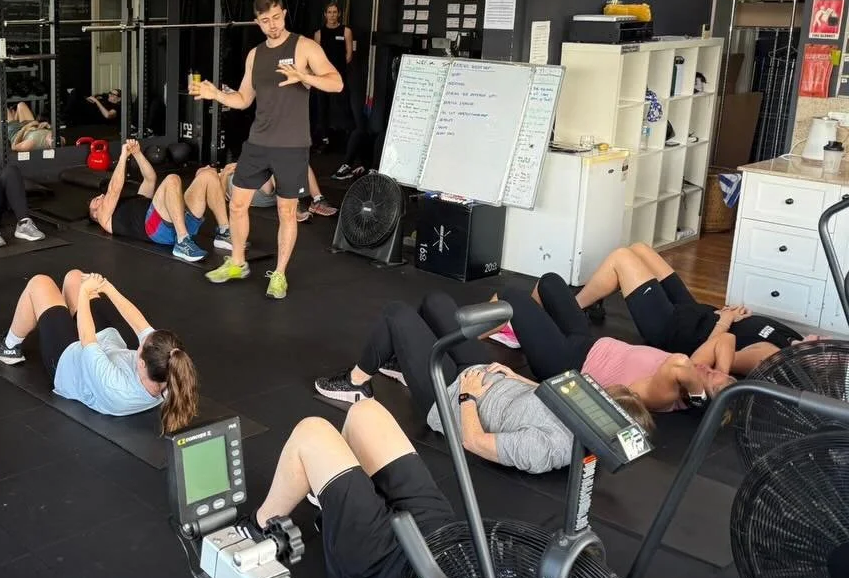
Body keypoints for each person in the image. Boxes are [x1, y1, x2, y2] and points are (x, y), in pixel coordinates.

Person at [312, 294, 653, 474]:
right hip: (481, 373)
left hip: (449, 398)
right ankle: (404, 361)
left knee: (397, 314)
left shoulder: (547, 449)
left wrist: (468, 396)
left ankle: (356, 381)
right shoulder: (581, 407)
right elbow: (544, 392)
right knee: (437, 302)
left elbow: (473, 441)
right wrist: (515, 376)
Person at [250, 399, 455, 578]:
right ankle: (336, 506)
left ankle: (258, 526)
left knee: (311, 433)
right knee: (365, 413)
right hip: (446, 535)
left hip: (389, 573)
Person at [191, 0, 343, 298]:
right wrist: (217, 95)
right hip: (259, 142)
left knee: (287, 212)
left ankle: (280, 275)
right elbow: (244, 99)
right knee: (236, 203)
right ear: (258, 22)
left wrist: (304, 76)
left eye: (275, 17)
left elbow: (336, 82)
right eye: (264, 20)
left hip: (291, 146)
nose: (271, 25)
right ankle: (237, 262)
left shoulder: (304, 46)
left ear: (284, 13)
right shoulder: (255, 55)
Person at [0, 270, 199, 433]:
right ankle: (56, 313)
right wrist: (107, 287)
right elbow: (139, 323)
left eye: (141, 346)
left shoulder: (117, 387)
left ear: (141, 363)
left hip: (69, 364)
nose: (141, 342)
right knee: (75, 277)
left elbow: (87, 338)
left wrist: (86, 293)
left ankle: (9, 346)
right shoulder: (168, 368)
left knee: (40, 283)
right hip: (106, 346)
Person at [495, 276, 734, 412]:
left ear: (699, 396)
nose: (707, 368)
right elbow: (725, 339)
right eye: (713, 370)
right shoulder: (696, 371)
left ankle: (476, 332)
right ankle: (523, 331)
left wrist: (698, 395)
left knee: (513, 295)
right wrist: (720, 374)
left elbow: (679, 363)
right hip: (587, 342)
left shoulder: (667, 395)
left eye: (710, 378)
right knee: (551, 282)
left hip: (566, 364)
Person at [571, 242, 808, 375]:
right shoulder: (794, 337)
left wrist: (725, 321)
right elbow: (749, 330)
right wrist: (737, 315)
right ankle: (594, 296)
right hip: (695, 311)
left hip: (675, 330)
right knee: (639, 249)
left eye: (822, 341)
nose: (824, 337)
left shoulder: (772, 356)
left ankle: (572, 309)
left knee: (622, 257)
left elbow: (711, 361)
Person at [88, 139, 230, 263]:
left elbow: (150, 179)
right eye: (96, 200)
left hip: (180, 220)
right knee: (172, 179)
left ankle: (224, 233)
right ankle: (182, 241)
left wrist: (137, 153)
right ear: (94, 215)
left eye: (99, 196)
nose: (101, 196)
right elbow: (114, 189)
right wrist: (123, 156)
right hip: (158, 229)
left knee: (208, 175)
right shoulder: (103, 217)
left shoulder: (134, 199)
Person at [220, 163, 336, 223]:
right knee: (276, 166)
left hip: (275, 191)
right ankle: (293, 206)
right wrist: (224, 174)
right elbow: (219, 199)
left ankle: (317, 200)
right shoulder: (219, 177)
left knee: (300, 161)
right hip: (258, 191)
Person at [314, 2, 354, 149]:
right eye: (329, 12)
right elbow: (315, 57)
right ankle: (324, 139)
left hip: (340, 76)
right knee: (322, 108)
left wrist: (337, 70)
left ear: (339, 14)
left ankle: (348, 140)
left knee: (344, 107)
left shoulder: (346, 31)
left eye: (334, 12)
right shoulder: (319, 34)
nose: (332, 15)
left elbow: (349, 55)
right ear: (325, 15)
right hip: (323, 76)